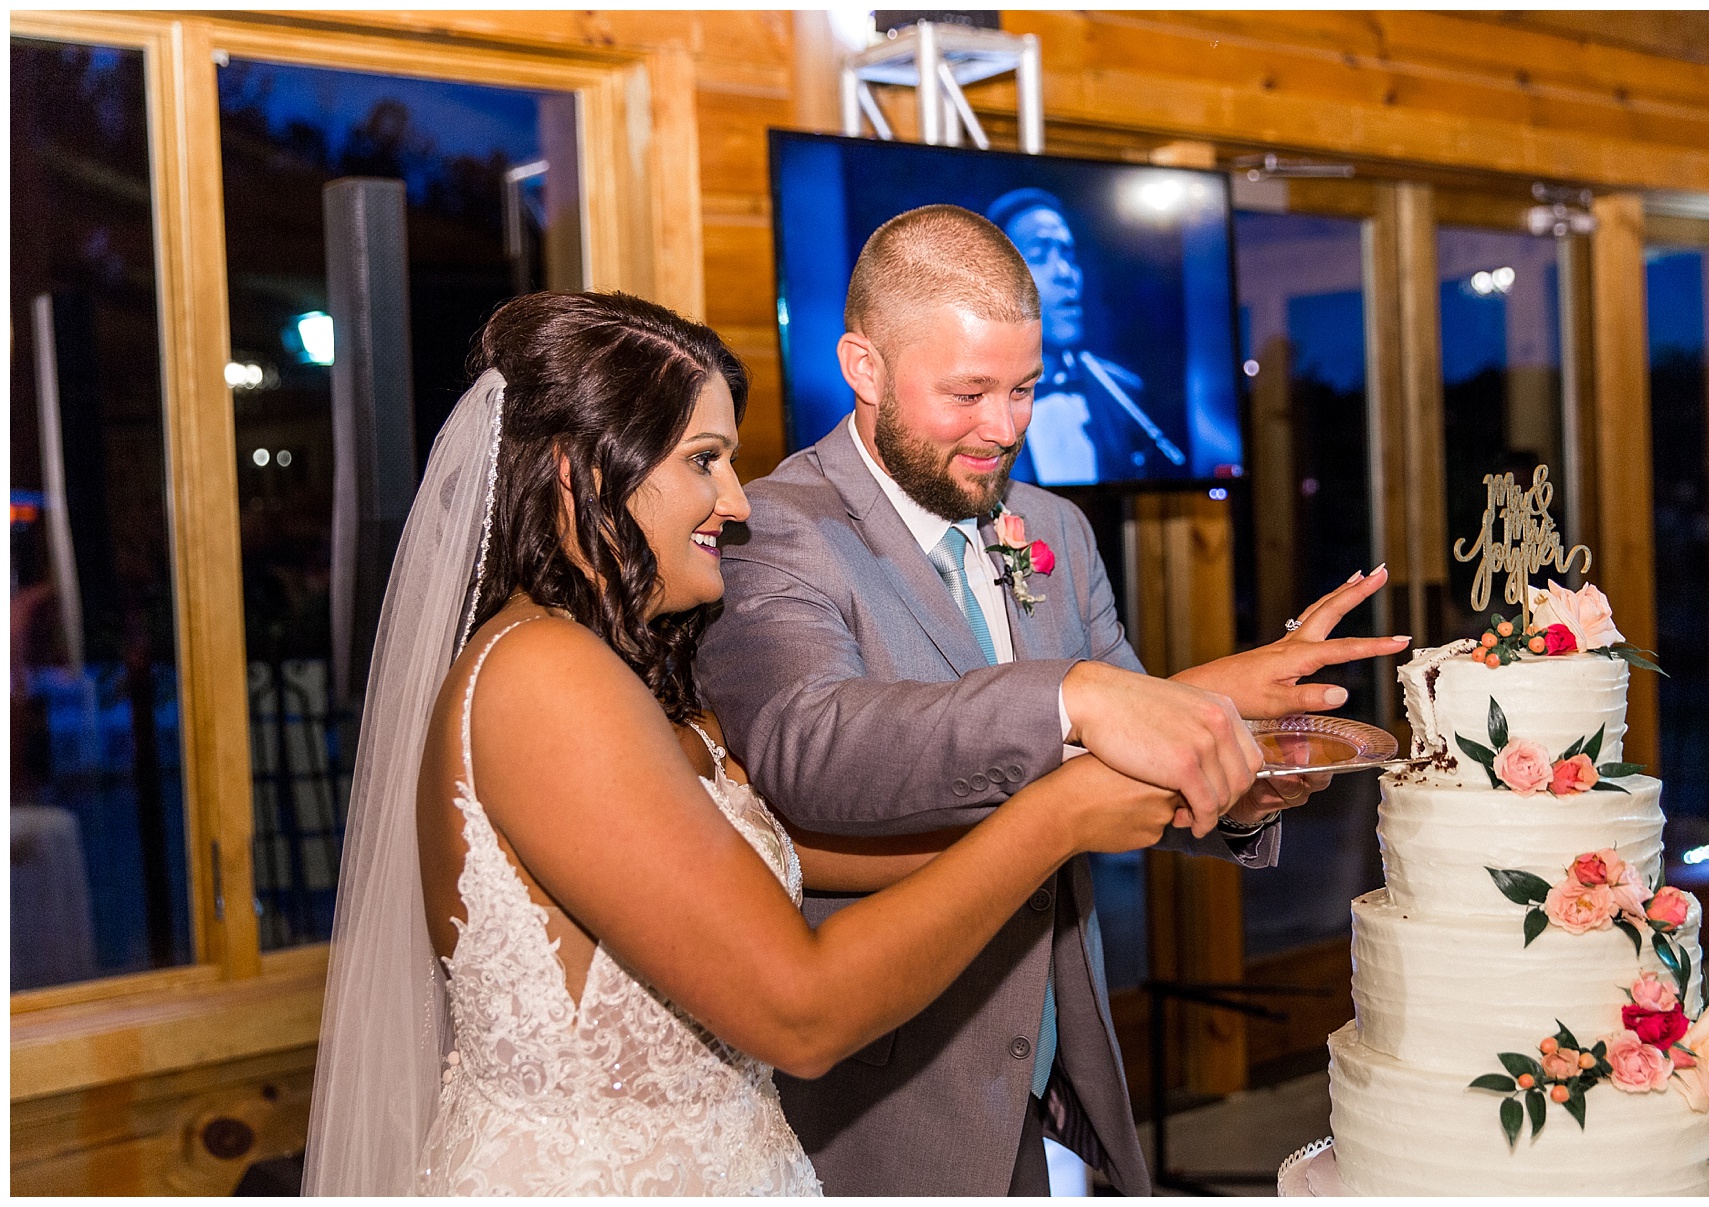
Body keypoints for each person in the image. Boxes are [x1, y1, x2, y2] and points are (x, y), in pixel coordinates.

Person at [301, 291, 1224, 1196]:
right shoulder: (542, 675)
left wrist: (1169, 743)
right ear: (584, 472)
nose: (736, 502)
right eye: (704, 460)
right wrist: (1057, 817)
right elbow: (803, 1010)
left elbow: (798, 855)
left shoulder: (616, 671)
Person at [695, 204, 1406, 1195]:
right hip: (888, 1090)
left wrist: (1233, 785)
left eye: (1025, 387)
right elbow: (812, 754)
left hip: (1051, 1057)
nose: (1008, 426)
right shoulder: (771, 531)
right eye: (969, 392)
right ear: (862, 367)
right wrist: (1069, 694)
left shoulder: (1053, 528)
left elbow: (1113, 758)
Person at [986, 187, 1184, 485]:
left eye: (1069, 254)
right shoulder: (971, 401)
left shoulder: (1122, 391)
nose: (1065, 273)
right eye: (1040, 255)